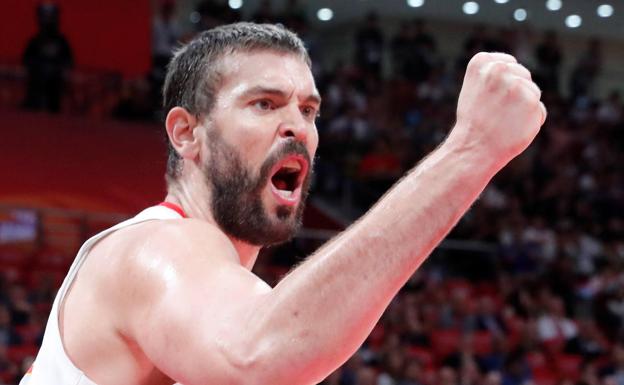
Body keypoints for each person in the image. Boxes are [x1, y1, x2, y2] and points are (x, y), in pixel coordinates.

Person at [20, 22, 546, 385]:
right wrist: (471, 149)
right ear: (186, 133)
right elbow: (256, 359)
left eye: (309, 109)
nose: (297, 125)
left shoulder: (217, 292)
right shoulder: (154, 247)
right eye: (264, 103)